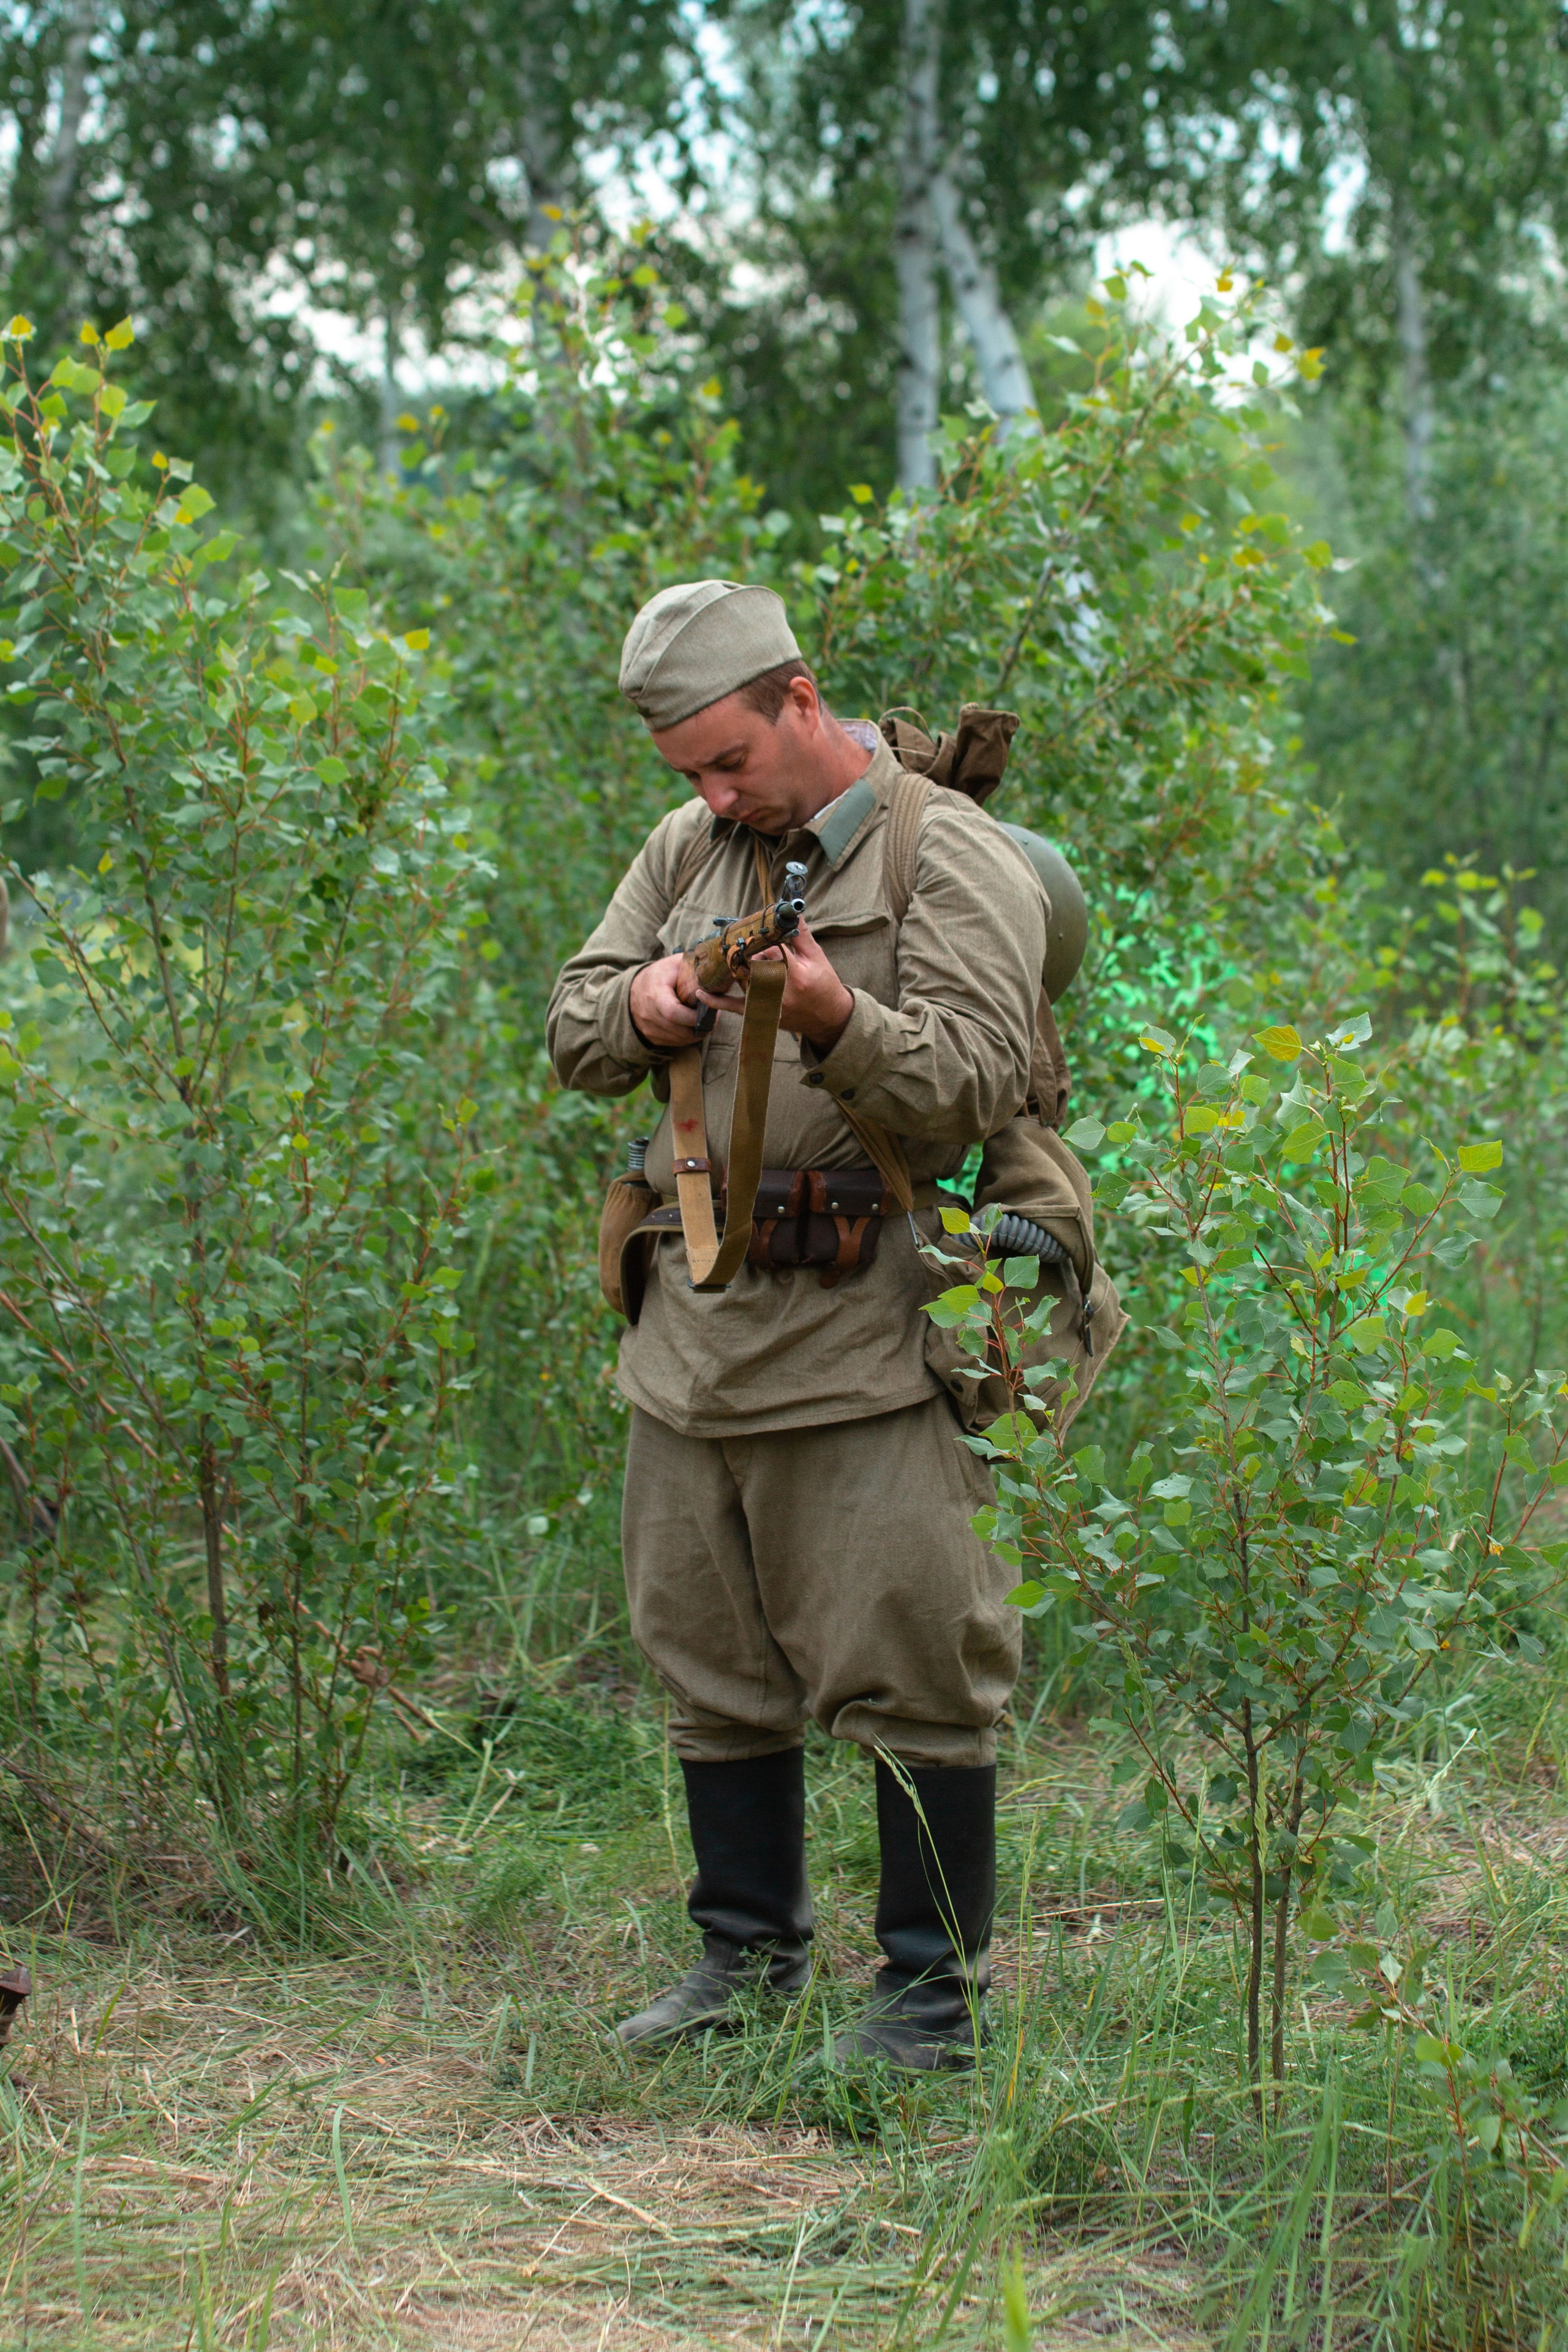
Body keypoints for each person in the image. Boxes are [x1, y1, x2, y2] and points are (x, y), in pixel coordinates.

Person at [546, 579, 1049, 2070]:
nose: (713, 794)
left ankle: (923, 2005)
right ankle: (742, 1960)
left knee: (912, 1657)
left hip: (874, 1327)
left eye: (728, 760)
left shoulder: (944, 854)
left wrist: (835, 1017)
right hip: (696, 1327)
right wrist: (641, 1006)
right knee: (708, 1653)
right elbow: (572, 1028)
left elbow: (974, 1085)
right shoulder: (684, 851)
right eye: (688, 774)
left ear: (799, 698)